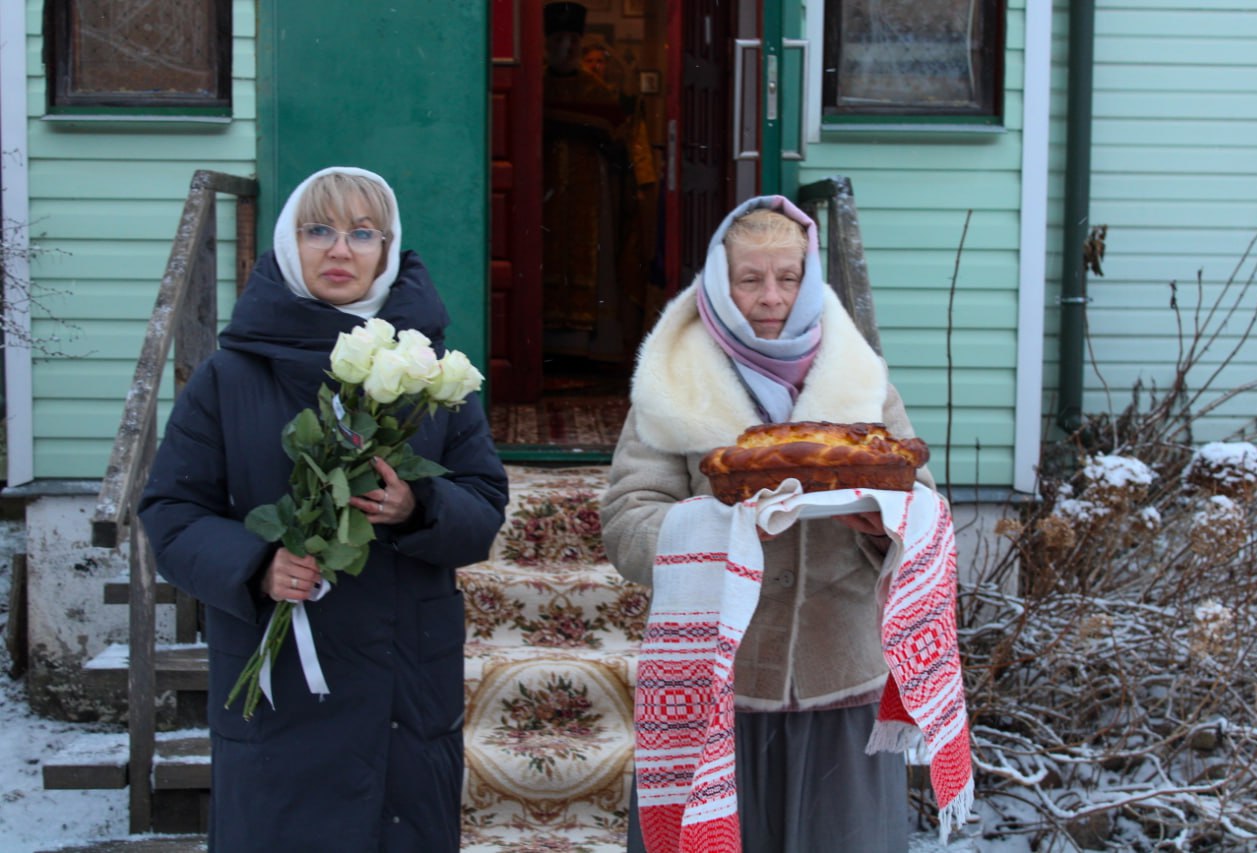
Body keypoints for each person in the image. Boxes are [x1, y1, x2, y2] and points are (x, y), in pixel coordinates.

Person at [137, 166, 509, 852]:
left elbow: (484, 503)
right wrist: (256, 566)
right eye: (319, 230)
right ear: (287, 244)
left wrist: (418, 505)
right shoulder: (232, 375)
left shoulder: (428, 375)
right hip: (281, 692)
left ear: (387, 250)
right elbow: (170, 510)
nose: (340, 249)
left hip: (403, 684)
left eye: (362, 233)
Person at [601, 196, 935, 852]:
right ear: (719, 284)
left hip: (841, 683)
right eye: (750, 279)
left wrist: (880, 523)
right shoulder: (674, 382)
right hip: (714, 689)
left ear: (811, 281)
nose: (771, 296)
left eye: (789, 277)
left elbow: (919, 500)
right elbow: (626, 521)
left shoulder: (860, 377)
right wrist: (720, 534)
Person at [542, 1, 657, 364]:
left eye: (574, 40)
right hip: (545, 190)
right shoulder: (536, 86)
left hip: (589, 192)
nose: (568, 47)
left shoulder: (596, 90)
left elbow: (616, 136)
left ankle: (585, 346)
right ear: (547, 44)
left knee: (590, 255)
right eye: (559, 39)